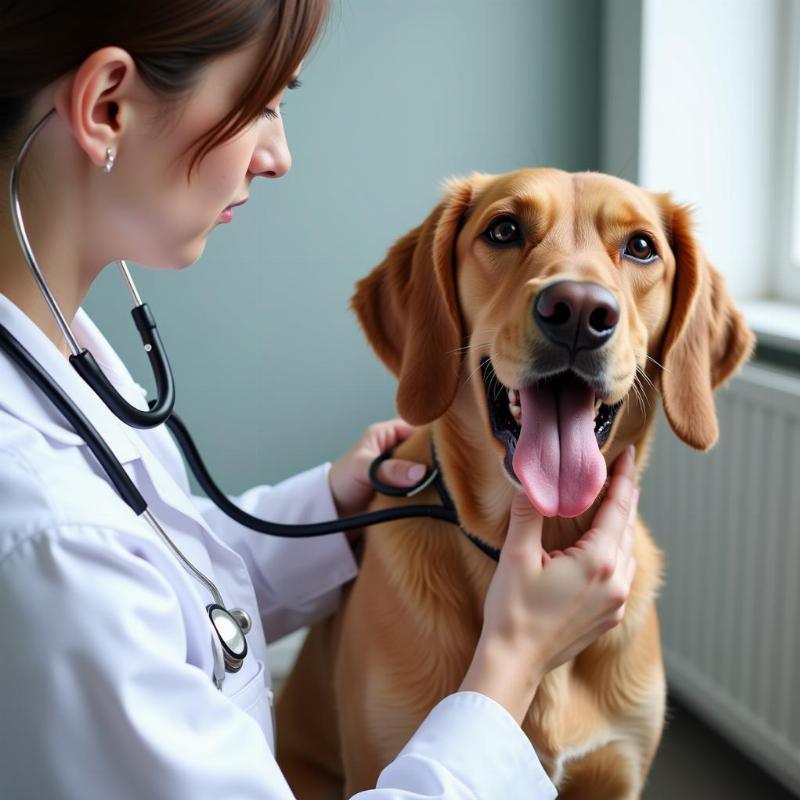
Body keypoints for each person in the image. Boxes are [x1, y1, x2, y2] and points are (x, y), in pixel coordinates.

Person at [0, 2, 639, 798]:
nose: (278, 156)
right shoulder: (45, 528)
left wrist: (337, 505)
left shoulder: (58, 355)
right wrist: (511, 663)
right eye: (265, 102)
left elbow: (162, 598)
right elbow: (90, 575)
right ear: (108, 108)